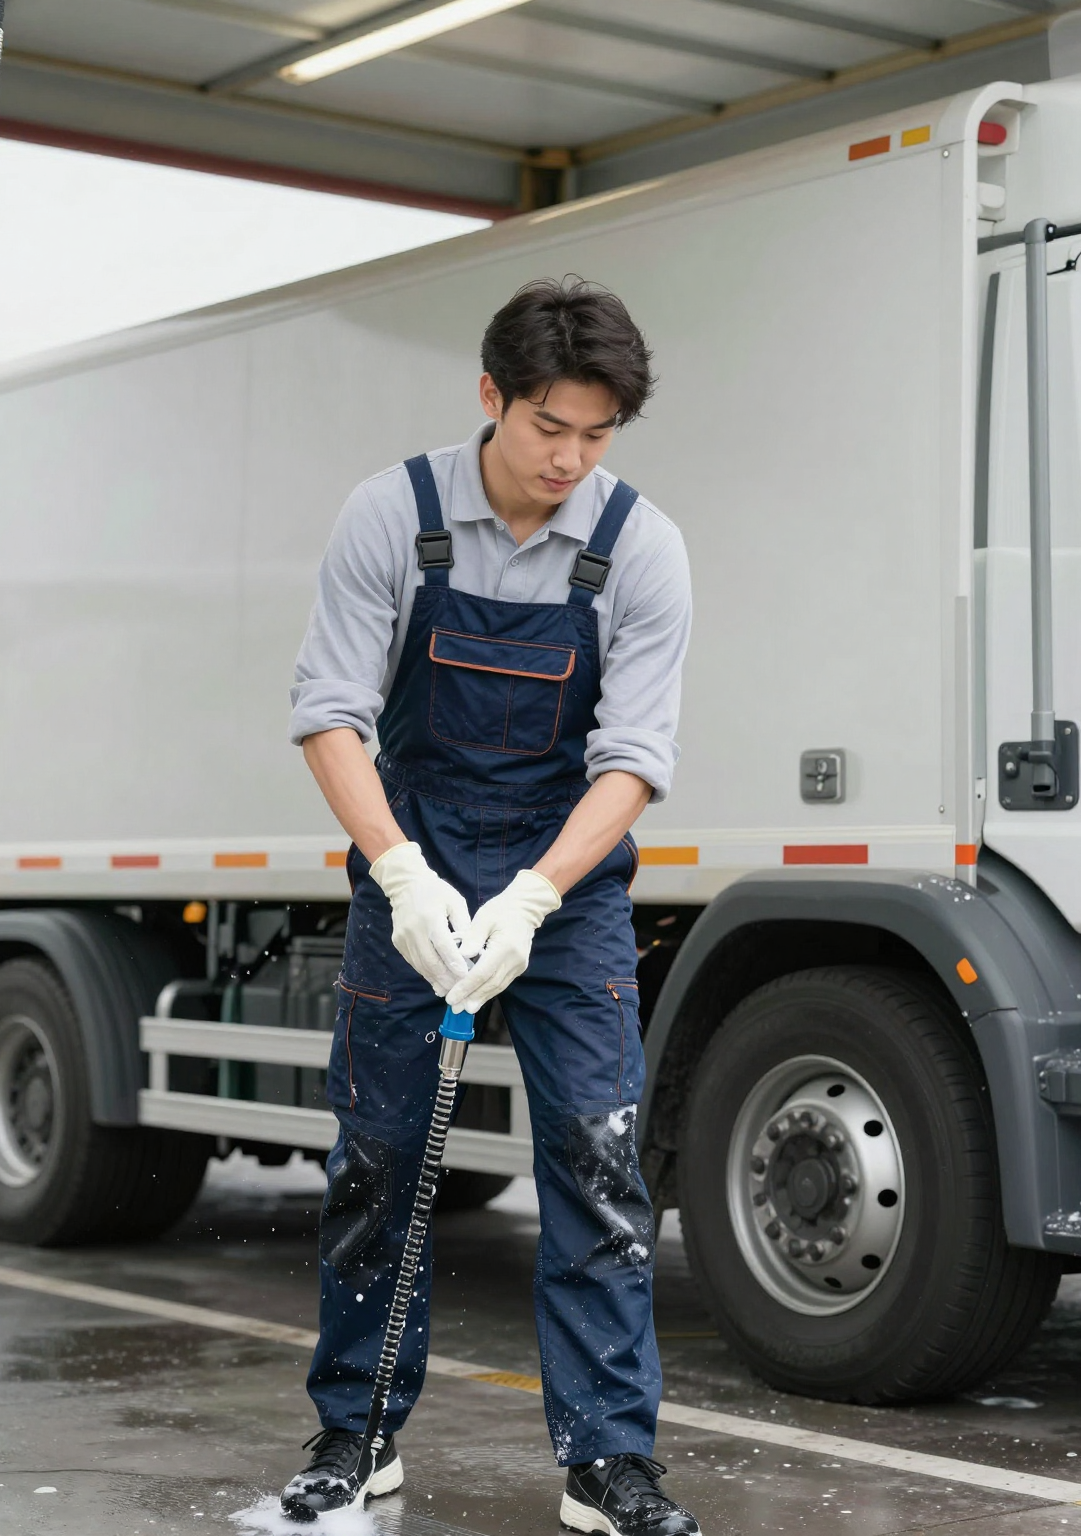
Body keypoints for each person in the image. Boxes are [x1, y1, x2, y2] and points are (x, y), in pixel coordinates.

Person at [284, 276, 696, 1535]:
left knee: (597, 1159)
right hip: (412, 854)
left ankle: (608, 1462)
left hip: (561, 889)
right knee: (382, 1154)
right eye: (546, 428)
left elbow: (632, 757)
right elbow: (331, 714)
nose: (570, 459)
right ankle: (355, 1434)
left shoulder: (641, 546)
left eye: (597, 434)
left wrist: (533, 895)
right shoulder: (391, 518)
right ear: (490, 399)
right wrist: (401, 873)